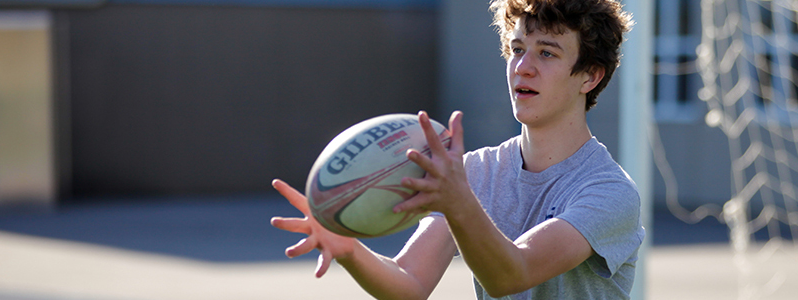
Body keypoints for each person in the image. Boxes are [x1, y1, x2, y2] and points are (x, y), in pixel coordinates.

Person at [269, 0, 642, 298]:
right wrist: (349, 248)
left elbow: (513, 275)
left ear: (590, 76)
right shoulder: (474, 172)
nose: (523, 67)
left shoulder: (609, 192)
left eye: (547, 53)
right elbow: (409, 282)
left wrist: (457, 200)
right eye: (516, 49)